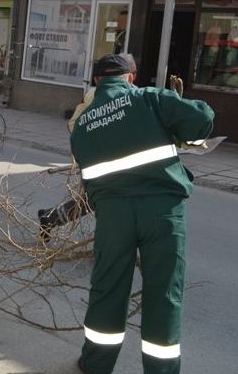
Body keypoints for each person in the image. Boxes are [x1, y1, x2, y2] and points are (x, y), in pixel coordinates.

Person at [70, 54, 214, 374]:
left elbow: (88, 174)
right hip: (163, 214)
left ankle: (95, 365)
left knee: (107, 290)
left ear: (96, 82)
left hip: (113, 216)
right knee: (164, 295)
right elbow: (202, 121)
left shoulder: (82, 123)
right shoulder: (151, 99)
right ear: (132, 77)